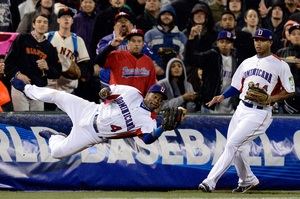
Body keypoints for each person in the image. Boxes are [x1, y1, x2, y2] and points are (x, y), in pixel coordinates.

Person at [198, 28, 295, 193]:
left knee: (232, 145)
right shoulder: (247, 62)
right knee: (237, 148)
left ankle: (210, 181)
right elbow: (236, 86)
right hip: (241, 108)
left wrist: (271, 99)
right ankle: (247, 180)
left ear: (270, 42)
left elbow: (290, 90)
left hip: (260, 112)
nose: (258, 42)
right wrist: (221, 97)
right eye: (256, 39)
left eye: (262, 40)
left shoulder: (280, 65)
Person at [10, 76, 173, 159]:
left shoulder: (148, 121)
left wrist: (162, 128)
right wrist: (105, 92)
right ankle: (26, 88)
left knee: (57, 152)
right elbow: (109, 91)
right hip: (89, 110)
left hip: (92, 135)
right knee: (58, 95)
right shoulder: (132, 92)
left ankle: (56, 137)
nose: (156, 99)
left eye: (159, 99)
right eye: (154, 95)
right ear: (148, 93)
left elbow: (148, 139)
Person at [4, 13, 62, 111]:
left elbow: (57, 73)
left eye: (45, 22)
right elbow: (9, 62)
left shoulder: (50, 47)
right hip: (20, 86)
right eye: (39, 22)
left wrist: (47, 67)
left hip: (38, 89)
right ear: (34, 25)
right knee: (22, 121)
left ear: (48, 26)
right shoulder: (22, 39)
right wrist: (18, 74)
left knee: (36, 122)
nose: (42, 24)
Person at [95, 28, 157, 97]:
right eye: (133, 41)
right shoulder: (116, 56)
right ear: (127, 43)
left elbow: (151, 86)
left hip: (138, 102)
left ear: (143, 44)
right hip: (117, 101)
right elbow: (98, 61)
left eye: (139, 41)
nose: (136, 44)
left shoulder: (148, 62)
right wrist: (110, 46)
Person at [277, 23, 300, 114]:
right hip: (285, 97)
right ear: (289, 36)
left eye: (299, 34)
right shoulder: (281, 52)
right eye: (293, 34)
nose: (297, 36)